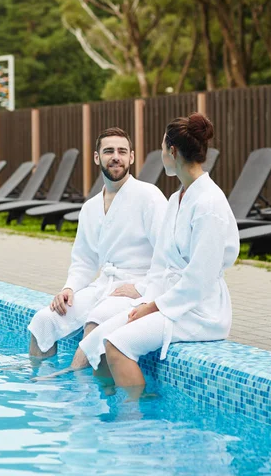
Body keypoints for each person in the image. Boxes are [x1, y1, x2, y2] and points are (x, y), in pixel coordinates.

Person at [79, 113, 240, 398]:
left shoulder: (208, 204)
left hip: (199, 311)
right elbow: (161, 264)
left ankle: (136, 424)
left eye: (163, 148)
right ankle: (104, 407)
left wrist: (154, 307)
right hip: (170, 299)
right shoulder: (179, 197)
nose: (161, 153)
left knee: (116, 346)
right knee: (97, 341)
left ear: (172, 152)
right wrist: (145, 298)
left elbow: (199, 281)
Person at [28, 127, 168, 366]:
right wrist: (69, 288)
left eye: (122, 151)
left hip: (136, 288)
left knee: (96, 321)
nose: (116, 156)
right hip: (103, 285)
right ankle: (40, 387)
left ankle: (83, 397)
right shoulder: (90, 207)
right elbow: (84, 260)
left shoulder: (149, 196)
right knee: (43, 320)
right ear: (97, 157)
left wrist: (142, 287)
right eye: (109, 151)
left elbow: (168, 255)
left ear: (131, 157)